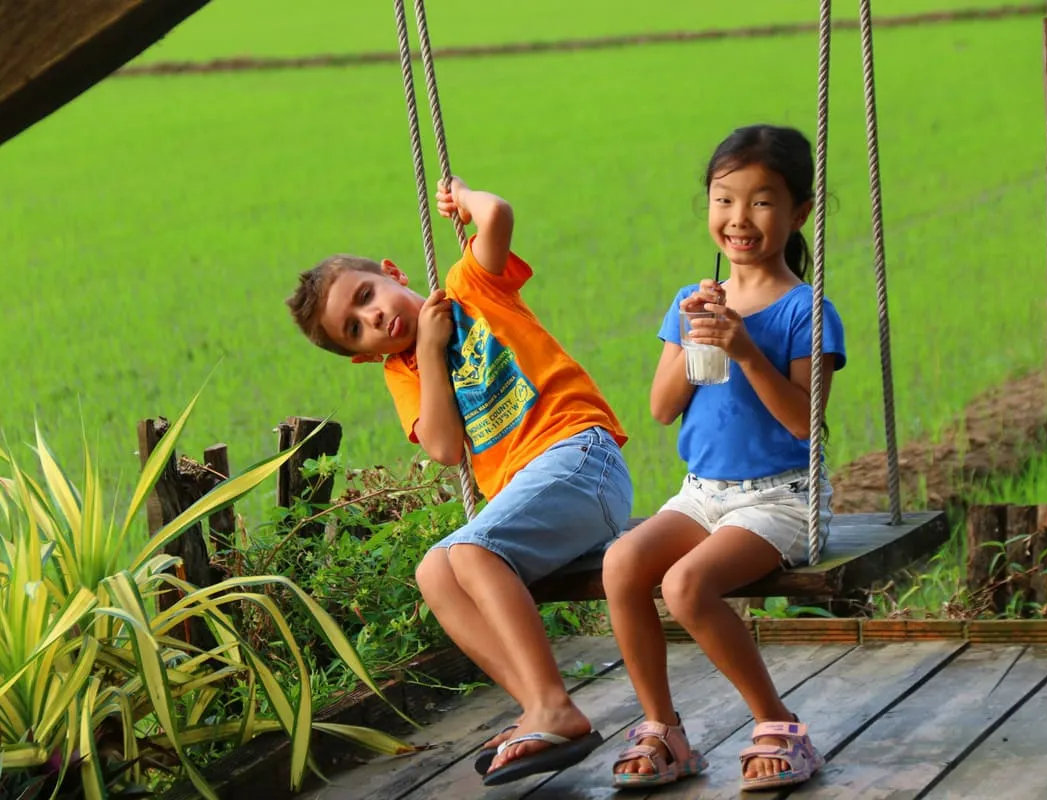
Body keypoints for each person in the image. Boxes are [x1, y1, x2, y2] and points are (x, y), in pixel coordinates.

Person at [285, 176, 633, 786]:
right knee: (433, 570)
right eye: (356, 328)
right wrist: (429, 347)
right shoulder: (402, 372)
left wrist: (462, 197)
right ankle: (540, 705)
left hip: (580, 457)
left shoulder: (470, 287)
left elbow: (496, 216)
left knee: (470, 549)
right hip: (541, 501)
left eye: (369, 295)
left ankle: (550, 704)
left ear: (393, 272)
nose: (373, 317)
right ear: (363, 354)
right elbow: (445, 448)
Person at [602, 124, 846, 792]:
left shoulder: (807, 311)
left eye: (762, 201)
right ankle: (664, 730)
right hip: (703, 492)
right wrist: (691, 333)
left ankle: (779, 725)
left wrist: (744, 350)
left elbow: (805, 424)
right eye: (724, 198)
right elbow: (660, 407)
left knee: (684, 586)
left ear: (798, 213)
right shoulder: (694, 299)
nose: (739, 218)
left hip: (781, 496)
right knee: (621, 563)